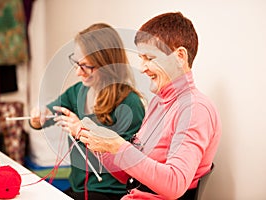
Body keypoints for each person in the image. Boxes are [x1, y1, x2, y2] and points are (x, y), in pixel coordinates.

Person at [77, 12, 222, 199]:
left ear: (179, 56)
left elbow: (174, 184)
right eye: (142, 58)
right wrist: (102, 147)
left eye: (150, 58)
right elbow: (130, 176)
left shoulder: (195, 109)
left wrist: (118, 147)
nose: (143, 67)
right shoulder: (158, 103)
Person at [29, 23, 145, 200]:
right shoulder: (77, 92)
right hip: (78, 187)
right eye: (76, 63)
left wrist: (82, 130)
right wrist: (38, 117)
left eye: (86, 66)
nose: (77, 72)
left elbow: (129, 161)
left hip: (110, 193)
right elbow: (46, 117)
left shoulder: (130, 103)